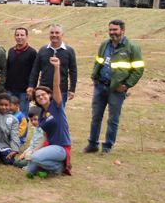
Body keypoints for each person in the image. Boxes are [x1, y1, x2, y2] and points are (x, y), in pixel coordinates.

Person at [85, 20, 144, 154]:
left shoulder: (132, 48)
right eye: (110, 30)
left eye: (115, 30)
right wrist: (95, 77)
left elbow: (138, 70)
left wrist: (126, 85)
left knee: (113, 119)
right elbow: (99, 61)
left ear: (123, 30)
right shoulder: (105, 45)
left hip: (116, 90)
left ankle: (107, 147)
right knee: (95, 117)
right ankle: (92, 144)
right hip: (100, 86)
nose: (112, 32)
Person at [24, 57, 71, 178]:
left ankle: (59, 167)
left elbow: (56, 86)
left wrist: (56, 67)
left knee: (36, 158)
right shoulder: (41, 115)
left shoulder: (57, 106)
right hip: (49, 146)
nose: (41, 97)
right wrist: (34, 150)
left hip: (61, 147)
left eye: (43, 94)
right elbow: (45, 136)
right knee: (30, 170)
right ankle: (52, 164)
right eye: (38, 96)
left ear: (49, 95)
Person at [27, 23, 77, 103]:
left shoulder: (69, 51)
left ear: (62, 35)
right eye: (52, 32)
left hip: (61, 90)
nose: (54, 35)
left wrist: (72, 89)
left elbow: (73, 71)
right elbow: (35, 70)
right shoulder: (43, 50)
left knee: (58, 114)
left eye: (57, 33)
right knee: (43, 114)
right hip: (43, 90)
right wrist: (31, 86)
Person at [5, 28, 36, 115]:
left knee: (23, 115)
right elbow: (8, 69)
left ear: (27, 37)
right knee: (8, 114)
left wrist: (32, 88)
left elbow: (35, 72)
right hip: (10, 89)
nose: (19, 37)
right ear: (14, 37)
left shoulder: (32, 53)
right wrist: (5, 86)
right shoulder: (11, 51)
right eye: (17, 35)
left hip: (24, 90)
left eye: (22, 35)